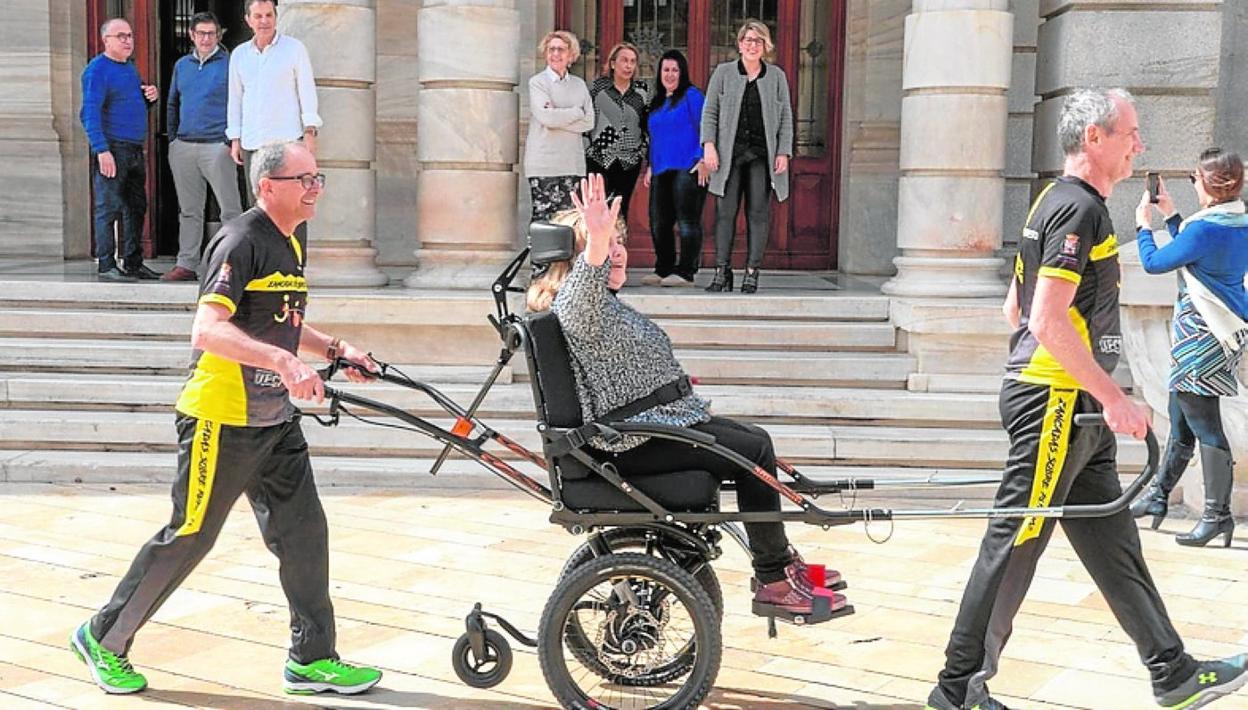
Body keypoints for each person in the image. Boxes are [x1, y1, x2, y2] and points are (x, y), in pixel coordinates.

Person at [924, 89, 1247, 710]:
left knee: (1112, 538)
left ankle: (1172, 672)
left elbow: (1012, 307)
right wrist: (1114, 397)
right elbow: (1044, 320)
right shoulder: (1079, 211)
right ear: (1095, 138)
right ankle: (956, 690)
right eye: (1131, 132)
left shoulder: (1054, 202)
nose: (1140, 144)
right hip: (1054, 404)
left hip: (1070, 406)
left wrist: (1096, 392)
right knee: (1013, 542)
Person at [70, 140, 383, 698]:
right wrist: (286, 362)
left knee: (305, 533)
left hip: (274, 420)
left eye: (319, 177)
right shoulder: (241, 239)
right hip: (221, 416)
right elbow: (208, 330)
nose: (316, 188)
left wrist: (333, 347)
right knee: (189, 535)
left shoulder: (292, 239)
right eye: (304, 179)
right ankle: (103, 637)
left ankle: (311, 659)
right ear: (268, 187)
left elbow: (282, 317)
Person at [527, 174, 846, 617]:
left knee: (755, 438)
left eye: (618, 242)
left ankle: (781, 563)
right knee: (751, 449)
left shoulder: (601, 304)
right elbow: (584, 291)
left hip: (659, 425)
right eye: (602, 247)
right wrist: (596, 242)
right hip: (630, 442)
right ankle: (773, 579)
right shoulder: (579, 307)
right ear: (579, 263)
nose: (616, 251)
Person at [1131, 148, 1247, 547]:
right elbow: (1197, 251)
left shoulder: (1207, 228)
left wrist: (1143, 227)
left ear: (1209, 186)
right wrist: (1173, 215)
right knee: (1181, 418)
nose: (1193, 185)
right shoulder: (1235, 222)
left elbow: (1156, 262)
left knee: (1204, 424)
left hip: (1201, 335)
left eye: (1195, 179)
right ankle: (1159, 497)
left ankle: (1217, 515)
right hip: (1215, 334)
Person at [700, 19, 793, 294]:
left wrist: (784, 151)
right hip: (729, 156)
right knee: (725, 213)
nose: (753, 45)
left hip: (761, 156)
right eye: (748, 40)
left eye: (759, 41)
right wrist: (708, 145)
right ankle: (722, 271)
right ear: (740, 44)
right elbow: (710, 111)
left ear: (766, 46)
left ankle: (752, 272)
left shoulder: (776, 76)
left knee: (758, 214)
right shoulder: (724, 73)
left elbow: (786, 115)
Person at [227, 0, 321, 244]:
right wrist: (235, 138)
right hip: (252, 143)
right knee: (258, 208)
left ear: (276, 17)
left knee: (294, 204)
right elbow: (235, 98)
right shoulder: (239, 55)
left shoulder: (294, 49)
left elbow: (307, 92)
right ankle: (263, 267)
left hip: (287, 142)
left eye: (269, 15)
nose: (264, 21)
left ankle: (295, 269)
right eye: (258, 16)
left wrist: (310, 133)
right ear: (248, 20)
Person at [80, 18, 163, 282]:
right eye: (121, 36)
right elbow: (89, 113)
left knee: (136, 207)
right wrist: (102, 150)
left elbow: (126, 106)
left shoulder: (129, 69)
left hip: (135, 149)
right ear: (106, 40)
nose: (128, 40)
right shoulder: (97, 70)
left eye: (129, 35)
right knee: (109, 208)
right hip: (112, 149)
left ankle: (133, 262)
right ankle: (106, 264)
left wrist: (148, 98)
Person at [164, 10, 243, 282]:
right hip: (184, 146)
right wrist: (173, 139)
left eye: (211, 33)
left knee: (230, 209)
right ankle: (187, 263)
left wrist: (230, 141)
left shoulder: (231, 63)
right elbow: (173, 102)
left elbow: (240, 102)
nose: (206, 38)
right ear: (192, 35)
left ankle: (232, 264)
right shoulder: (182, 65)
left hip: (217, 147)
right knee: (189, 210)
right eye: (201, 33)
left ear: (218, 35)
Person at [641, 49, 707, 288]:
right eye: (665, 70)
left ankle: (686, 271)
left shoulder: (692, 96)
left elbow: (707, 129)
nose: (669, 74)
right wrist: (650, 166)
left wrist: (703, 159)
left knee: (687, 221)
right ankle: (664, 267)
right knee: (659, 221)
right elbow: (656, 138)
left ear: (682, 72)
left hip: (689, 167)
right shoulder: (657, 102)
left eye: (674, 70)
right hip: (661, 169)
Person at [524, 30, 593, 222]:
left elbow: (589, 122)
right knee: (543, 224)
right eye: (551, 49)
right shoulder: (537, 83)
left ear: (571, 55)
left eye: (561, 49)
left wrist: (558, 117)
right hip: (544, 164)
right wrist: (576, 112)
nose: (555, 54)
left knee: (568, 224)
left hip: (572, 164)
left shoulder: (579, 85)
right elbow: (547, 118)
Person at [585, 42, 648, 219]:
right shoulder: (598, 89)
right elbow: (587, 121)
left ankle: (618, 247)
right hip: (599, 159)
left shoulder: (641, 92)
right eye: (624, 60)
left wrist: (642, 152)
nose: (628, 66)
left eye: (633, 61)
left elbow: (646, 125)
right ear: (613, 64)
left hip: (629, 161)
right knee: (598, 210)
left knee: (620, 211)